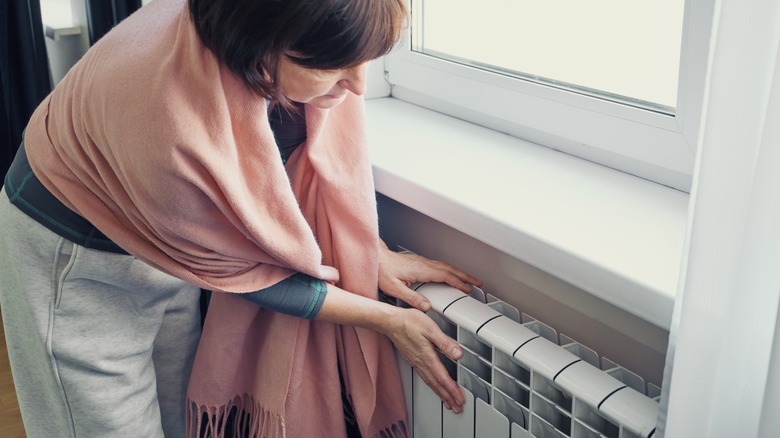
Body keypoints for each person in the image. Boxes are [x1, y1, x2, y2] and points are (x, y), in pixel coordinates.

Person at [0, 0, 482, 436]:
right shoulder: (173, 130)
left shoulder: (260, 42)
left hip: (166, 229)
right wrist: (385, 320)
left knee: (175, 411)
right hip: (77, 253)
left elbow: (279, 180)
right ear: (258, 48)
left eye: (366, 59)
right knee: (104, 425)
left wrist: (366, 248)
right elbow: (252, 277)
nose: (359, 84)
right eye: (334, 65)